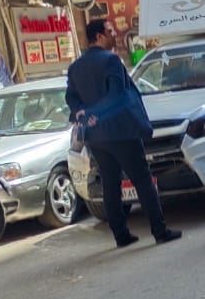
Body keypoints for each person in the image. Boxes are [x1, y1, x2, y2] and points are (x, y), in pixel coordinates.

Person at [66, 18, 182, 248]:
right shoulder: (111, 60)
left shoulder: (75, 66)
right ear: (99, 36)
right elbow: (117, 94)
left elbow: (71, 97)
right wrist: (98, 113)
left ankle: (121, 235)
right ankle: (159, 230)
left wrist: (85, 114)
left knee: (110, 183)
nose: (115, 34)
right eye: (110, 31)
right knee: (142, 180)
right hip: (121, 132)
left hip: (95, 136)